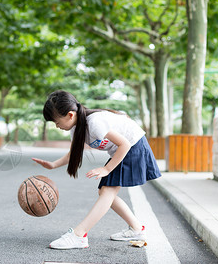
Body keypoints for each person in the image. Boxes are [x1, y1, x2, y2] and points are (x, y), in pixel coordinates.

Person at [32, 90, 161, 249]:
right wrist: (53, 165)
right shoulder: (76, 128)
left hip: (134, 146)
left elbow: (125, 144)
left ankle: (79, 234)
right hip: (125, 149)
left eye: (56, 122)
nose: (57, 126)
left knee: (107, 191)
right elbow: (73, 153)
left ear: (70, 115)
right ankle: (136, 229)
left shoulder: (94, 123)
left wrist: (107, 169)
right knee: (105, 192)